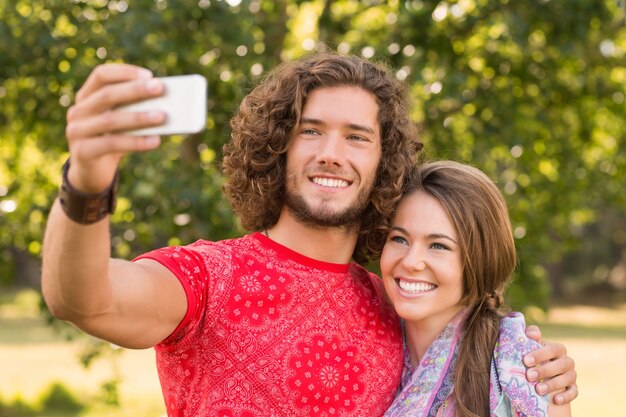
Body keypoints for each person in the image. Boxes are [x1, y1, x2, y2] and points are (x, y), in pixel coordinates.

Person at [41, 53, 576, 417]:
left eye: (357, 137)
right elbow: (84, 300)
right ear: (278, 146)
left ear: (383, 159)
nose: (331, 153)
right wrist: (88, 178)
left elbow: (482, 350)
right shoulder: (207, 278)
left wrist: (545, 369)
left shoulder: (393, 302)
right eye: (310, 130)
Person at [381, 160, 571, 417]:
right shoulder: (369, 343)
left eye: (438, 245)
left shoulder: (523, 367)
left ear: (481, 260)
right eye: (399, 239)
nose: (411, 261)